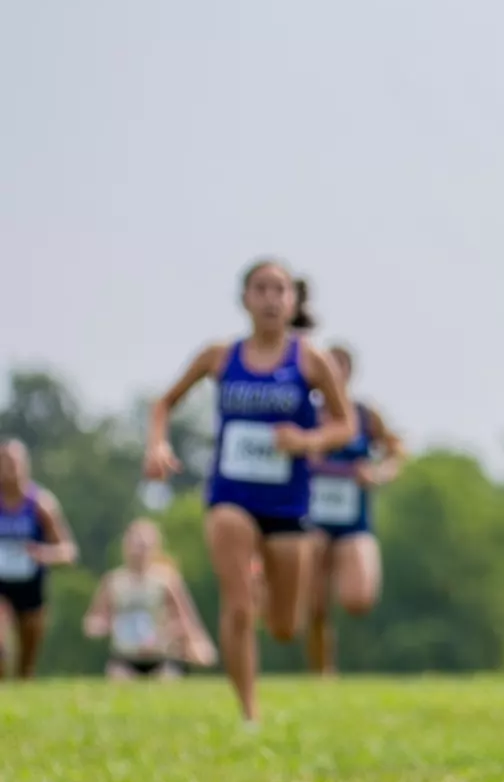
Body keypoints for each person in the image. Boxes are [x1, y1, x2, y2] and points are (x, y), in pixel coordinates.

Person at [145, 260, 356, 723]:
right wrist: (158, 444)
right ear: (244, 299)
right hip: (231, 496)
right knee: (237, 608)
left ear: (293, 301)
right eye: (260, 289)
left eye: (279, 290)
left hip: (287, 503)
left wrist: (306, 441)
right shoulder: (220, 356)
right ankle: (249, 714)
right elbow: (163, 402)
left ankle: (260, 580)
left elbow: (346, 425)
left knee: (284, 626)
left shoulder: (309, 359)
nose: (270, 298)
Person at [302, 346, 404, 676]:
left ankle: (362, 658)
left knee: (359, 599)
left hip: (353, 521)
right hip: (311, 520)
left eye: (339, 368)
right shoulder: (305, 413)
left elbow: (396, 452)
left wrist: (377, 474)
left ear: (349, 373)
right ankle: (323, 673)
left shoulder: (365, 415)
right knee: (315, 606)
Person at [82, 519, 215, 678]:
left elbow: (186, 618)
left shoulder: (166, 580)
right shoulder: (113, 582)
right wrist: (101, 626)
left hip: (161, 657)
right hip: (125, 658)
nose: (139, 551)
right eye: (136, 545)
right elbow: (93, 620)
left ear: (155, 547)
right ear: (125, 546)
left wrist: (194, 643)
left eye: (144, 546)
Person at [0, 440, 79, 679]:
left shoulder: (41, 504)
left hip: (30, 586)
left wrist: (43, 554)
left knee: (26, 663)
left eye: (15, 462)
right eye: (4, 462)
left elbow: (69, 551)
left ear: (26, 465)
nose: (10, 468)